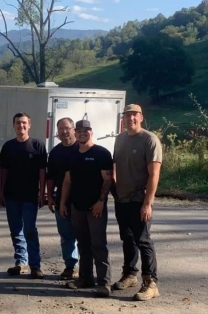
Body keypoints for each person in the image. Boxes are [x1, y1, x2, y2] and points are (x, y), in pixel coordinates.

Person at [112, 104, 162, 301]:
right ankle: (130, 274)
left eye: (134, 115)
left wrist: (147, 203)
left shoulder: (149, 140)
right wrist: (114, 189)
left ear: (141, 117)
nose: (130, 118)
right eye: (127, 115)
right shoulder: (120, 139)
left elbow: (154, 174)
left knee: (143, 240)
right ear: (123, 118)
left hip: (139, 199)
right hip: (122, 199)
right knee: (127, 238)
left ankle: (151, 283)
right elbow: (115, 165)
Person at [59, 120, 113, 297]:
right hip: (77, 206)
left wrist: (101, 202)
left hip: (95, 207)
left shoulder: (101, 153)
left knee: (98, 245)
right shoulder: (72, 154)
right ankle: (85, 278)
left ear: (92, 132)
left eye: (86, 130)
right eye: (79, 130)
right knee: (83, 244)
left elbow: (107, 180)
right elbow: (68, 180)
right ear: (75, 133)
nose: (82, 133)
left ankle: (104, 283)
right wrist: (62, 203)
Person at [0, 112, 47, 279]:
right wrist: (1, 193)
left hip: (30, 196)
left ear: (29, 125)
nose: (21, 126)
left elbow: (43, 172)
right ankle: (21, 262)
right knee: (16, 231)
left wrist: (42, 193)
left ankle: (35, 265)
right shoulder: (8, 147)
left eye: (24, 123)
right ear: (14, 126)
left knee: (30, 230)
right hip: (12, 196)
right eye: (18, 123)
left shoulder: (38, 145)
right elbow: (3, 172)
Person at [46, 117, 79, 280]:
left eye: (67, 128)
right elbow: (50, 177)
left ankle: (85, 268)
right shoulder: (55, 152)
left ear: (73, 129)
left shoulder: (82, 148)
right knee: (66, 235)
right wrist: (50, 197)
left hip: (82, 198)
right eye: (61, 129)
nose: (64, 132)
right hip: (61, 199)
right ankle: (71, 266)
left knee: (84, 235)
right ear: (57, 132)